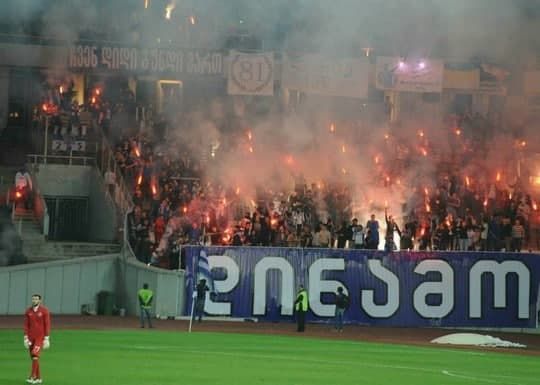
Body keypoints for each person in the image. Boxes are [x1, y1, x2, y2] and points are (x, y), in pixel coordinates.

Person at [24, 294, 51, 384]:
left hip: (40, 337)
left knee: (35, 355)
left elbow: (47, 324)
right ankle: (39, 378)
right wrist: (25, 337)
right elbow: (26, 325)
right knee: (34, 357)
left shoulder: (44, 311)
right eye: (33, 299)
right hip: (31, 338)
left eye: (36, 299)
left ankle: (32, 377)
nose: (34, 300)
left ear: (40, 300)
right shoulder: (28, 311)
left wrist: (46, 338)